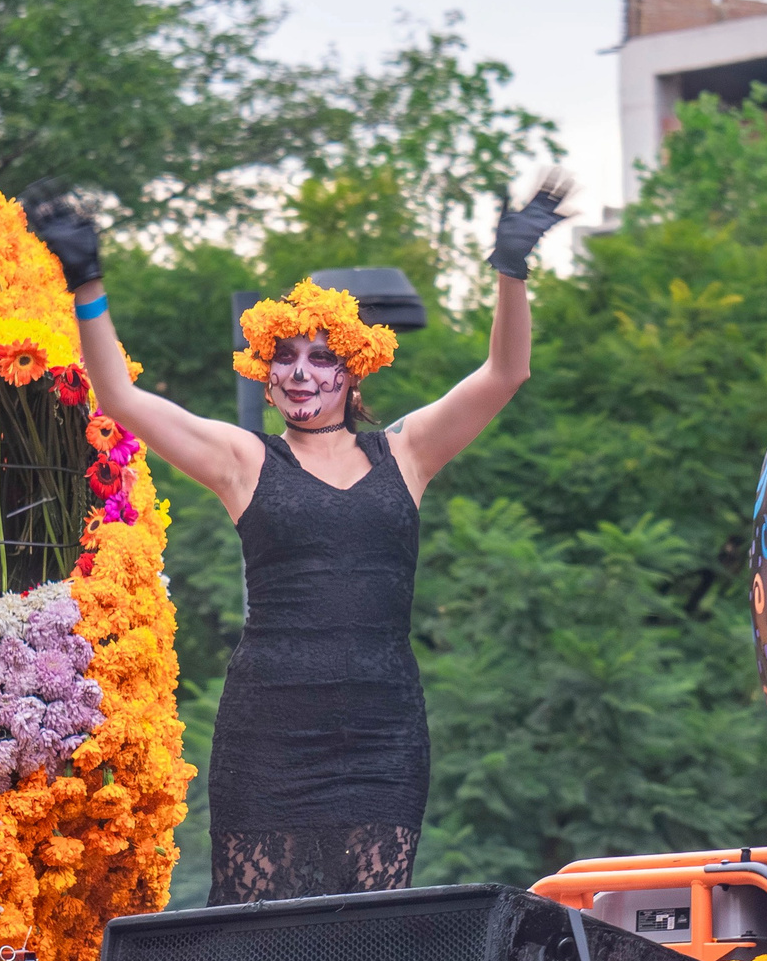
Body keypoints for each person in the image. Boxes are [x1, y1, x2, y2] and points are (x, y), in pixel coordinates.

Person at [29, 174, 574, 903]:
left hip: (382, 732)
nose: (301, 372)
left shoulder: (406, 454)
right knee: (263, 937)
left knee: (368, 936)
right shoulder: (246, 459)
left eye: (322, 357)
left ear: (352, 370)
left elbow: (507, 372)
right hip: (272, 732)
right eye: (285, 357)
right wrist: (87, 283)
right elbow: (120, 398)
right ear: (266, 370)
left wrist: (511, 268)